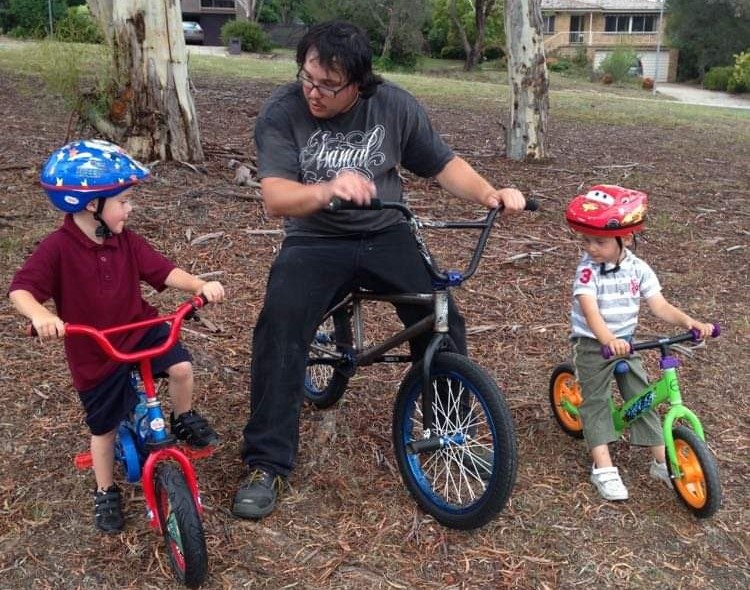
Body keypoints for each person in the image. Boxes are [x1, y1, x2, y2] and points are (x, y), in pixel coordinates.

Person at [232, 20, 527, 519]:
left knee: (441, 316)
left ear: (359, 84)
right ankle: (266, 463)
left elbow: (440, 163)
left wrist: (489, 193)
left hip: (386, 230)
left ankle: (446, 428)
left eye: (328, 85)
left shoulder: (393, 105)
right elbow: (276, 199)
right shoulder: (283, 112)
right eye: (307, 77)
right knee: (281, 327)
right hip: (314, 237)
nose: (314, 92)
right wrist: (329, 188)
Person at [8, 139, 225, 533]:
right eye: (123, 201)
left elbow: (162, 271)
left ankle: (184, 416)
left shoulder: (127, 241)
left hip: (138, 329)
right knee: (103, 429)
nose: (130, 208)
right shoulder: (57, 249)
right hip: (95, 348)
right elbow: (21, 289)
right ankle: (105, 489)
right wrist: (41, 315)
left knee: (180, 366)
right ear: (92, 204)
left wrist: (198, 284)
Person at [565, 185, 714, 501]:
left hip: (627, 344)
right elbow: (590, 311)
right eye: (587, 240)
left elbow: (659, 305)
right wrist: (607, 339)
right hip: (594, 344)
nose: (591, 248)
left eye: (600, 241)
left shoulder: (638, 269)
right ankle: (602, 465)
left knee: (643, 395)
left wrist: (690, 322)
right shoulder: (588, 271)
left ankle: (662, 460)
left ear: (626, 238)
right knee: (595, 400)